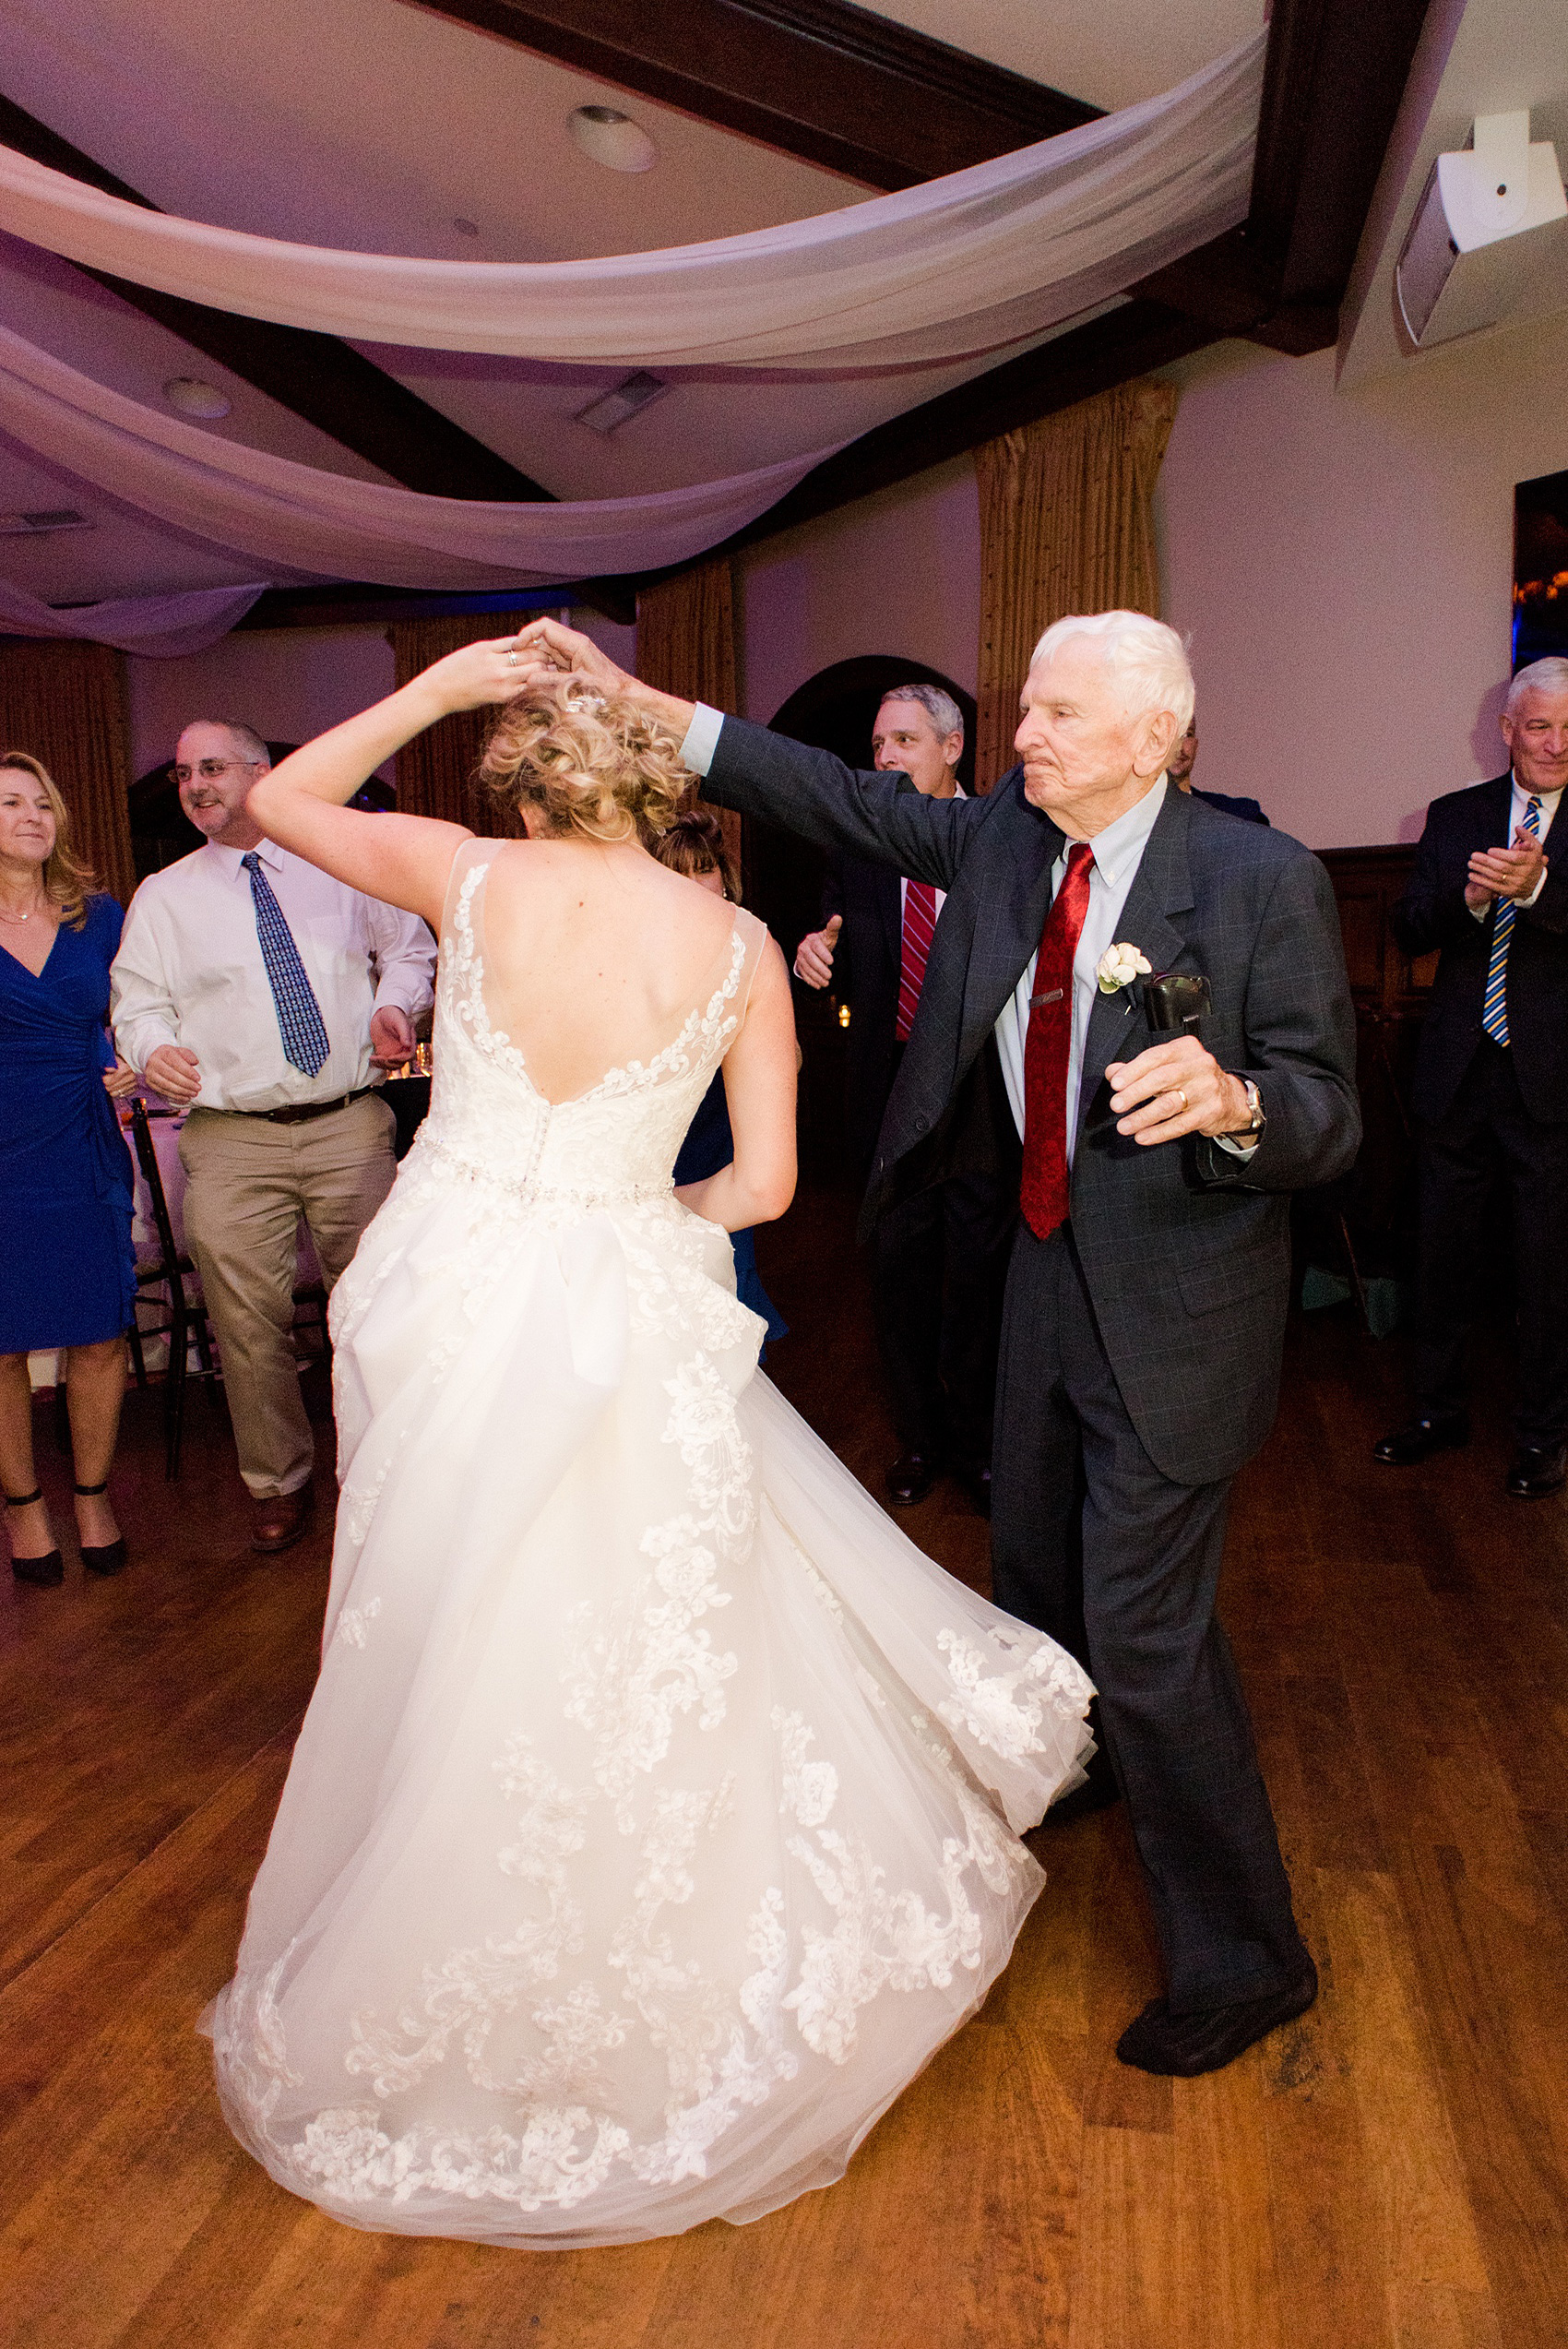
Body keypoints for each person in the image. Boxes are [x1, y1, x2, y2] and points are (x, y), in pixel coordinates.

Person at [204, 646, 1092, 2248]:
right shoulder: (742, 943)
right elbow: (759, 1190)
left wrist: (433, 688)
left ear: (516, 776)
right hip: (619, 1287)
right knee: (626, 1609)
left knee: (439, 1600)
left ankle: (450, 1909)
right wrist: (629, 1218)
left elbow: (275, 798)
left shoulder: (461, 879)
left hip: (444, 1292)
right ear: (662, 784)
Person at [510, 608, 1361, 2079]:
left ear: (1156, 737)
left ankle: (1249, 1957)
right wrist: (636, 699)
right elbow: (817, 790)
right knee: (1032, 1571)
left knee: (1151, 1639)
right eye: (1023, 710)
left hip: (1183, 1307)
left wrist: (1236, 1102)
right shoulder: (1001, 847)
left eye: (1059, 718)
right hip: (1036, 1275)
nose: (1023, 737)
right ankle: (1085, 1765)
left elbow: (1329, 1108)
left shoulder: (1259, 873)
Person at [111, 721, 435, 1555]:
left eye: (211, 767)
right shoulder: (165, 897)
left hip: (349, 1128)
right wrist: (154, 1049)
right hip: (228, 1138)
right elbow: (137, 1004)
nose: (193, 785)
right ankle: (278, 1481)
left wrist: (396, 1006)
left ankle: (396, 1471)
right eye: (183, 772)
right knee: (245, 1324)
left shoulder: (340, 861)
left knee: (374, 1310)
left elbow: (410, 949)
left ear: (263, 773)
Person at [794, 686, 1016, 1512]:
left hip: (983, 1098)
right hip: (889, 1100)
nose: (883, 757)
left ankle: (977, 1446)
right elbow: (843, 953)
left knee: (977, 1279)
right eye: (877, 743)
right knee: (899, 1277)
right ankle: (921, 1442)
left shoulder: (1003, 838)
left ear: (952, 747)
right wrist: (818, 955)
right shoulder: (857, 848)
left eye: (902, 741)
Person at [1374, 655, 1568, 1497]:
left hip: (1553, 1084)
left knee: (1547, 1268)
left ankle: (1540, 1437)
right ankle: (1436, 1411)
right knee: (1441, 1257)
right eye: (1540, 725)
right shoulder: (1457, 817)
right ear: (1507, 730)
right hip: (1457, 1075)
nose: (1557, 743)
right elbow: (1410, 927)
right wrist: (1475, 899)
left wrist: (1540, 889)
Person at [0, 753, 137, 1587]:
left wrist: (124, 1056)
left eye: (43, 803)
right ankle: (23, 1509)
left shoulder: (101, 918)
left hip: (80, 1139)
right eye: (10, 802)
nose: (31, 815)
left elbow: (139, 1007)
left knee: (98, 1330)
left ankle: (92, 1493)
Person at [650, 808, 787, 1347]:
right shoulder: (632, 960)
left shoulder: (751, 958)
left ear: (724, 880)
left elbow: (786, 1062)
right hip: (651, 1152)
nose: (691, 884)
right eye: (674, 871)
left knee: (722, 1309)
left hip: (719, 1153)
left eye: (702, 867)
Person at [1167, 714, 1270, 826]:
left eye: (1187, 734)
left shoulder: (1240, 816)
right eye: (1168, 734)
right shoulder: (1145, 819)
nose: (1180, 746)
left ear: (1195, 746)